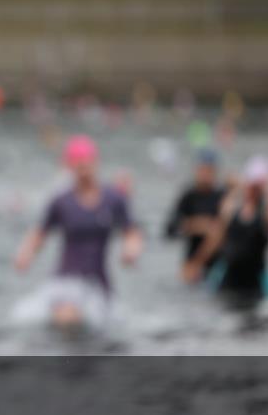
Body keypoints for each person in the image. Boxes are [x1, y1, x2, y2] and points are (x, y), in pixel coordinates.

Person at [14, 135, 142, 331]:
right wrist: (25, 254)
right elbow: (40, 232)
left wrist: (131, 251)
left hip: (98, 282)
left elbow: (131, 232)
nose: (83, 171)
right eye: (78, 166)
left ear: (96, 163)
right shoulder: (61, 201)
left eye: (87, 164)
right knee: (68, 317)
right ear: (69, 168)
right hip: (66, 281)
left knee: (91, 323)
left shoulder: (114, 199)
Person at [184, 155, 268, 309]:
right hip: (228, 276)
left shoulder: (266, 211)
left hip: (255, 280)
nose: (253, 188)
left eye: (256, 185)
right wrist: (196, 263)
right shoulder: (232, 205)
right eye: (251, 183)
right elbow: (216, 238)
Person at [164, 148, 227, 282]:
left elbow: (225, 230)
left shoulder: (222, 196)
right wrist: (196, 225)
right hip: (190, 261)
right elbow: (169, 230)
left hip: (215, 263)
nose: (204, 174)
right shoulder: (188, 196)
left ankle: (196, 265)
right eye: (201, 170)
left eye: (208, 170)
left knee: (216, 232)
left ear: (215, 172)